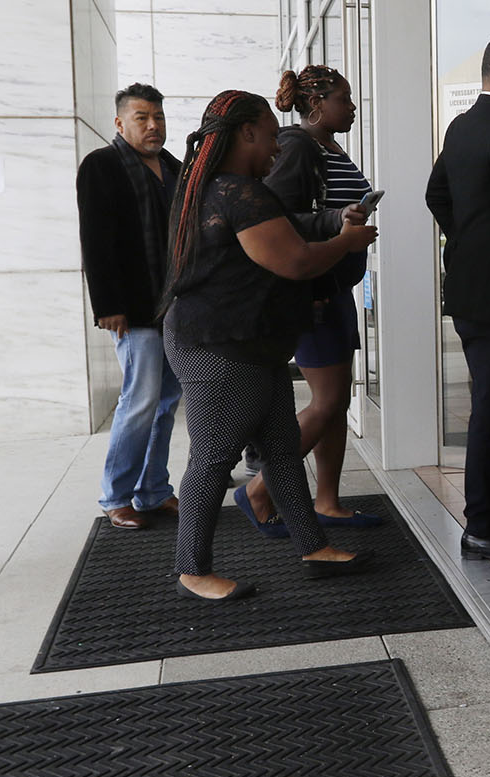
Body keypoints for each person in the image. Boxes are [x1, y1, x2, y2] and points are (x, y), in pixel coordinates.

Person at [161, 89, 377, 600]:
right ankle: (191, 570)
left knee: (281, 450)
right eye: (271, 132)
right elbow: (295, 261)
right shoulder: (237, 191)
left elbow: (283, 227)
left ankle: (312, 545)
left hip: (249, 344)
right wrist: (345, 243)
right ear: (247, 132)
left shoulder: (221, 187)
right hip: (219, 347)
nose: (280, 143)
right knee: (213, 458)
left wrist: (331, 225)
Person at [235, 64, 381, 530]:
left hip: (333, 288)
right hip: (313, 292)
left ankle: (328, 501)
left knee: (336, 403)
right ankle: (257, 491)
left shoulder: (326, 145)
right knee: (328, 400)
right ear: (317, 105)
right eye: (345, 98)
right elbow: (278, 222)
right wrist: (340, 224)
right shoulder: (298, 146)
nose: (353, 106)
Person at [425, 36, 490, 561]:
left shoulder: (461, 126)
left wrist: (466, 238)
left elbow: (434, 193)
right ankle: (481, 525)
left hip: (469, 289)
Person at [77, 83, 183, 530]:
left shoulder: (176, 167)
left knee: (167, 401)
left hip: (178, 307)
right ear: (120, 123)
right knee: (139, 401)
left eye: (157, 116)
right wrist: (108, 304)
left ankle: (153, 490)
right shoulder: (101, 166)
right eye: (142, 117)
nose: (153, 125)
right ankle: (117, 495)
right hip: (133, 308)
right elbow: (96, 241)